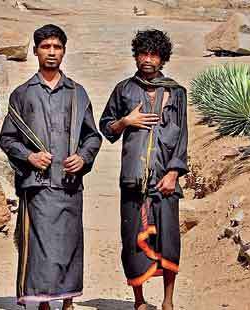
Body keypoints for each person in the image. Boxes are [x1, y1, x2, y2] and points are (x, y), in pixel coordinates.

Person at [0, 24, 102, 310]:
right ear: (35, 51)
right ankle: (43, 303)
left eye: (57, 47)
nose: (52, 52)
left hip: (69, 184)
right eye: (46, 47)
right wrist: (29, 158)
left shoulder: (78, 93)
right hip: (38, 185)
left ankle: (68, 302)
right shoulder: (23, 93)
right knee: (42, 248)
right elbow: (7, 138)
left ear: (64, 51)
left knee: (70, 244)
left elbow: (92, 135)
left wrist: (82, 157)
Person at [98, 29, 188, 310]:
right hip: (133, 181)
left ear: (163, 59)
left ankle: (168, 301)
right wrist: (126, 121)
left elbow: (182, 135)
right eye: (143, 53)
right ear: (136, 55)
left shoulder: (177, 92)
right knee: (133, 242)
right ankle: (139, 302)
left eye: (154, 55)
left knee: (169, 242)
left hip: (165, 181)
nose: (148, 60)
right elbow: (106, 127)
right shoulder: (124, 89)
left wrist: (174, 173)